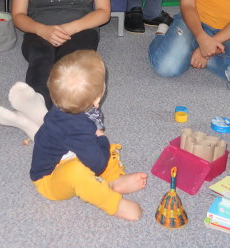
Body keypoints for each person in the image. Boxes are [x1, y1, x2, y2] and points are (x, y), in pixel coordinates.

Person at [30, 50, 148, 221]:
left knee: (101, 149)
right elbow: (97, 164)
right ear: (96, 99)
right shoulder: (78, 127)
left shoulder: (66, 105)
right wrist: (101, 138)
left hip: (71, 153)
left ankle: (114, 180)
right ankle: (113, 203)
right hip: (50, 180)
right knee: (88, 163)